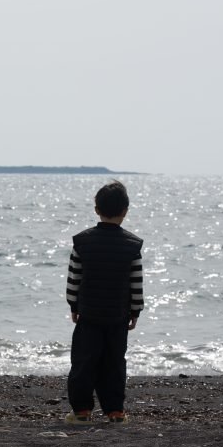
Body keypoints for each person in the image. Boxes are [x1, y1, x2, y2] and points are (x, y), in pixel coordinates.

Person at [65, 180, 144, 425]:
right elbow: (136, 283)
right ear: (125, 211)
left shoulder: (82, 242)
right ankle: (115, 411)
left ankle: (81, 411)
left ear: (96, 209)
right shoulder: (132, 246)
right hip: (117, 315)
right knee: (114, 363)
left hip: (88, 314)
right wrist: (135, 311)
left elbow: (74, 279)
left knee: (83, 363)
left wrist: (73, 306)